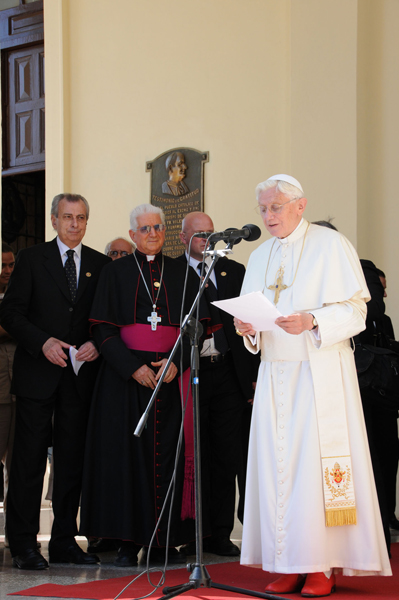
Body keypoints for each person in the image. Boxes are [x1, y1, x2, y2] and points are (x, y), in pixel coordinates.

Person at [235, 174, 391, 597]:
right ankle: (287, 562)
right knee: (278, 470)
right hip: (274, 376)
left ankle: (321, 565)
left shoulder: (330, 245)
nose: (268, 216)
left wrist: (314, 320)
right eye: (263, 209)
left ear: (300, 206)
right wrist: (246, 327)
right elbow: (253, 317)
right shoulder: (259, 255)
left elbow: (357, 310)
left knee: (312, 470)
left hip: (319, 373)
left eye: (276, 207)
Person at [80, 203, 200, 567]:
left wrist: (176, 363)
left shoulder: (182, 272)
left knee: (169, 458)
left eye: (158, 228)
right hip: (124, 381)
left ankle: (166, 539)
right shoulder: (114, 273)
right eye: (145, 229)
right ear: (132, 234)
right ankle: (127, 542)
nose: (152, 234)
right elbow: (102, 328)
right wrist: (133, 368)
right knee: (124, 461)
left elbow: (196, 325)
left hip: (170, 377)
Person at [0, 194, 110, 570]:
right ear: (53, 220)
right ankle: (23, 545)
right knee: (28, 465)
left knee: (71, 464)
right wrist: (41, 341)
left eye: (81, 218)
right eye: (67, 217)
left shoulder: (100, 264)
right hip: (36, 376)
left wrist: (97, 343)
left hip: (79, 381)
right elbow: (10, 313)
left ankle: (64, 541)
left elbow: (104, 319)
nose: (74, 224)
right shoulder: (31, 259)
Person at [178, 212, 258, 556]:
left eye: (211, 234)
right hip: (188, 372)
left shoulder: (234, 272)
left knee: (227, 454)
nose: (207, 241)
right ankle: (194, 534)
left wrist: (253, 377)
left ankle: (221, 534)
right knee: (194, 454)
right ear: (182, 238)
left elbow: (253, 320)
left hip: (228, 372)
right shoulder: (172, 273)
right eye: (199, 235)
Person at [354, 261, 399, 543]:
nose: (382, 295)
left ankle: (384, 517)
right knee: (378, 454)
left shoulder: (380, 318)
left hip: (374, 391)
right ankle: (381, 518)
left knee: (382, 453)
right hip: (369, 391)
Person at [0, 242, 17, 538]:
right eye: (2, 265)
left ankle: (14, 531)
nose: (7, 271)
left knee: (18, 465)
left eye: (11, 264)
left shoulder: (19, 293)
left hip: (19, 390)